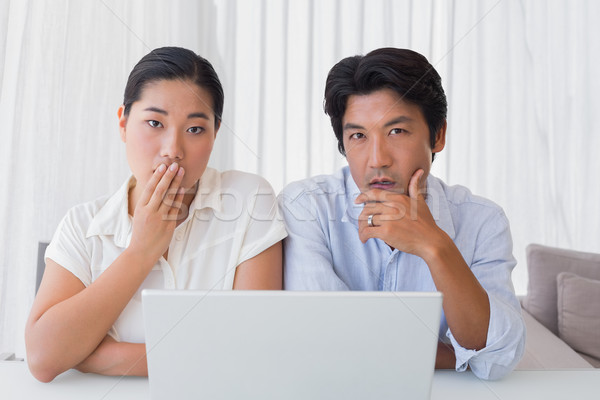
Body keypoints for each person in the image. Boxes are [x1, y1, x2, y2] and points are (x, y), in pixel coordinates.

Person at [25, 47, 287, 382]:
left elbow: (255, 350)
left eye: (194, 129)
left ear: (216, 132)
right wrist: (141, 251)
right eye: (154, 123)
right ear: (123, 123)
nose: (172, 150)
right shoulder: (83, 224)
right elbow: (43, 358)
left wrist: (91, 355)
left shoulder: (249, 200)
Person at [279, 47, 525, 380]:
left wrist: (434, 246)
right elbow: (322, 338)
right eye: (358, 136)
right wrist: (458, 355)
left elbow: (497, 356)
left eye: (397, 131)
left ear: (437, 136)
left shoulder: (482, 221)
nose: (377, 158)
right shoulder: (306, 207)